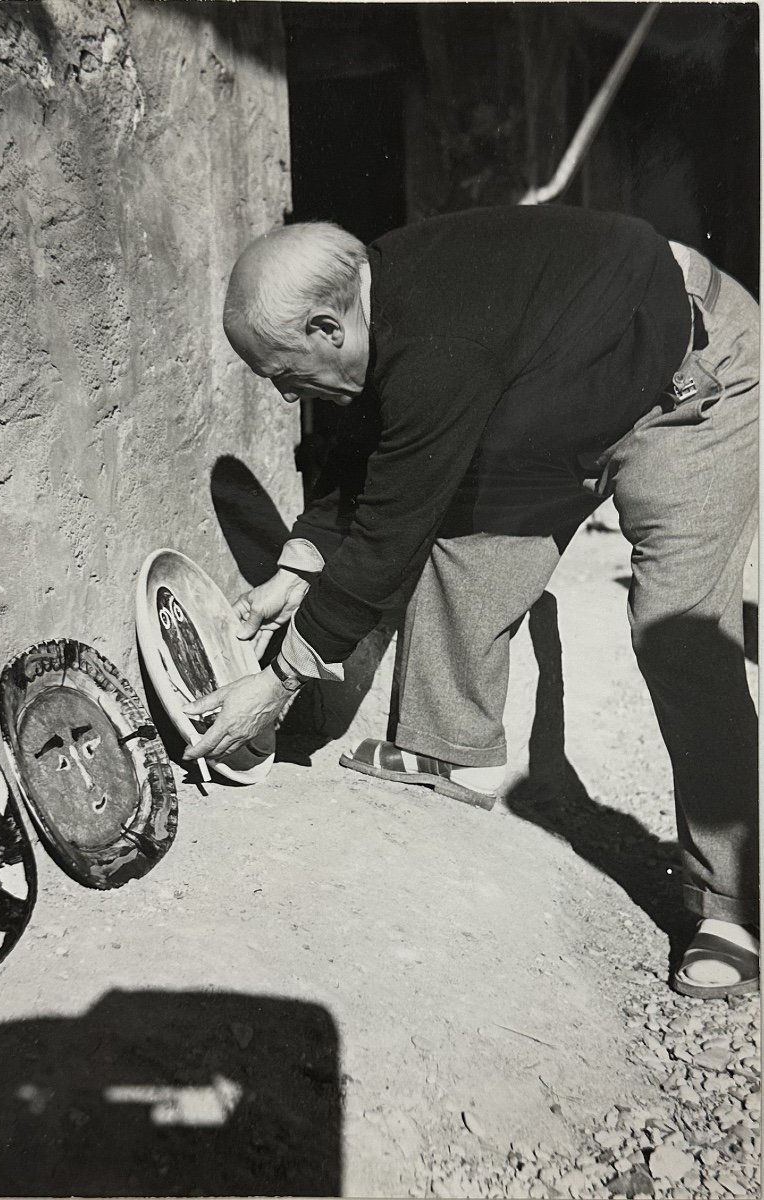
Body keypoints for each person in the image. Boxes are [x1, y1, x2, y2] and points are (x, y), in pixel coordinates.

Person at [183, 207, 759, 999]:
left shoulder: (439, 350)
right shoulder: (376, 302)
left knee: (678, 630)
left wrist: (279, 682)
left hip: (689, 371)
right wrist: (297, 565)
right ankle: (449, 747)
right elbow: (373, 444)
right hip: (569, 382)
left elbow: (390, 525)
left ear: (327, 326)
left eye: (283, 373)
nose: (285, 397)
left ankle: (733, 903)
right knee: (472, 530)